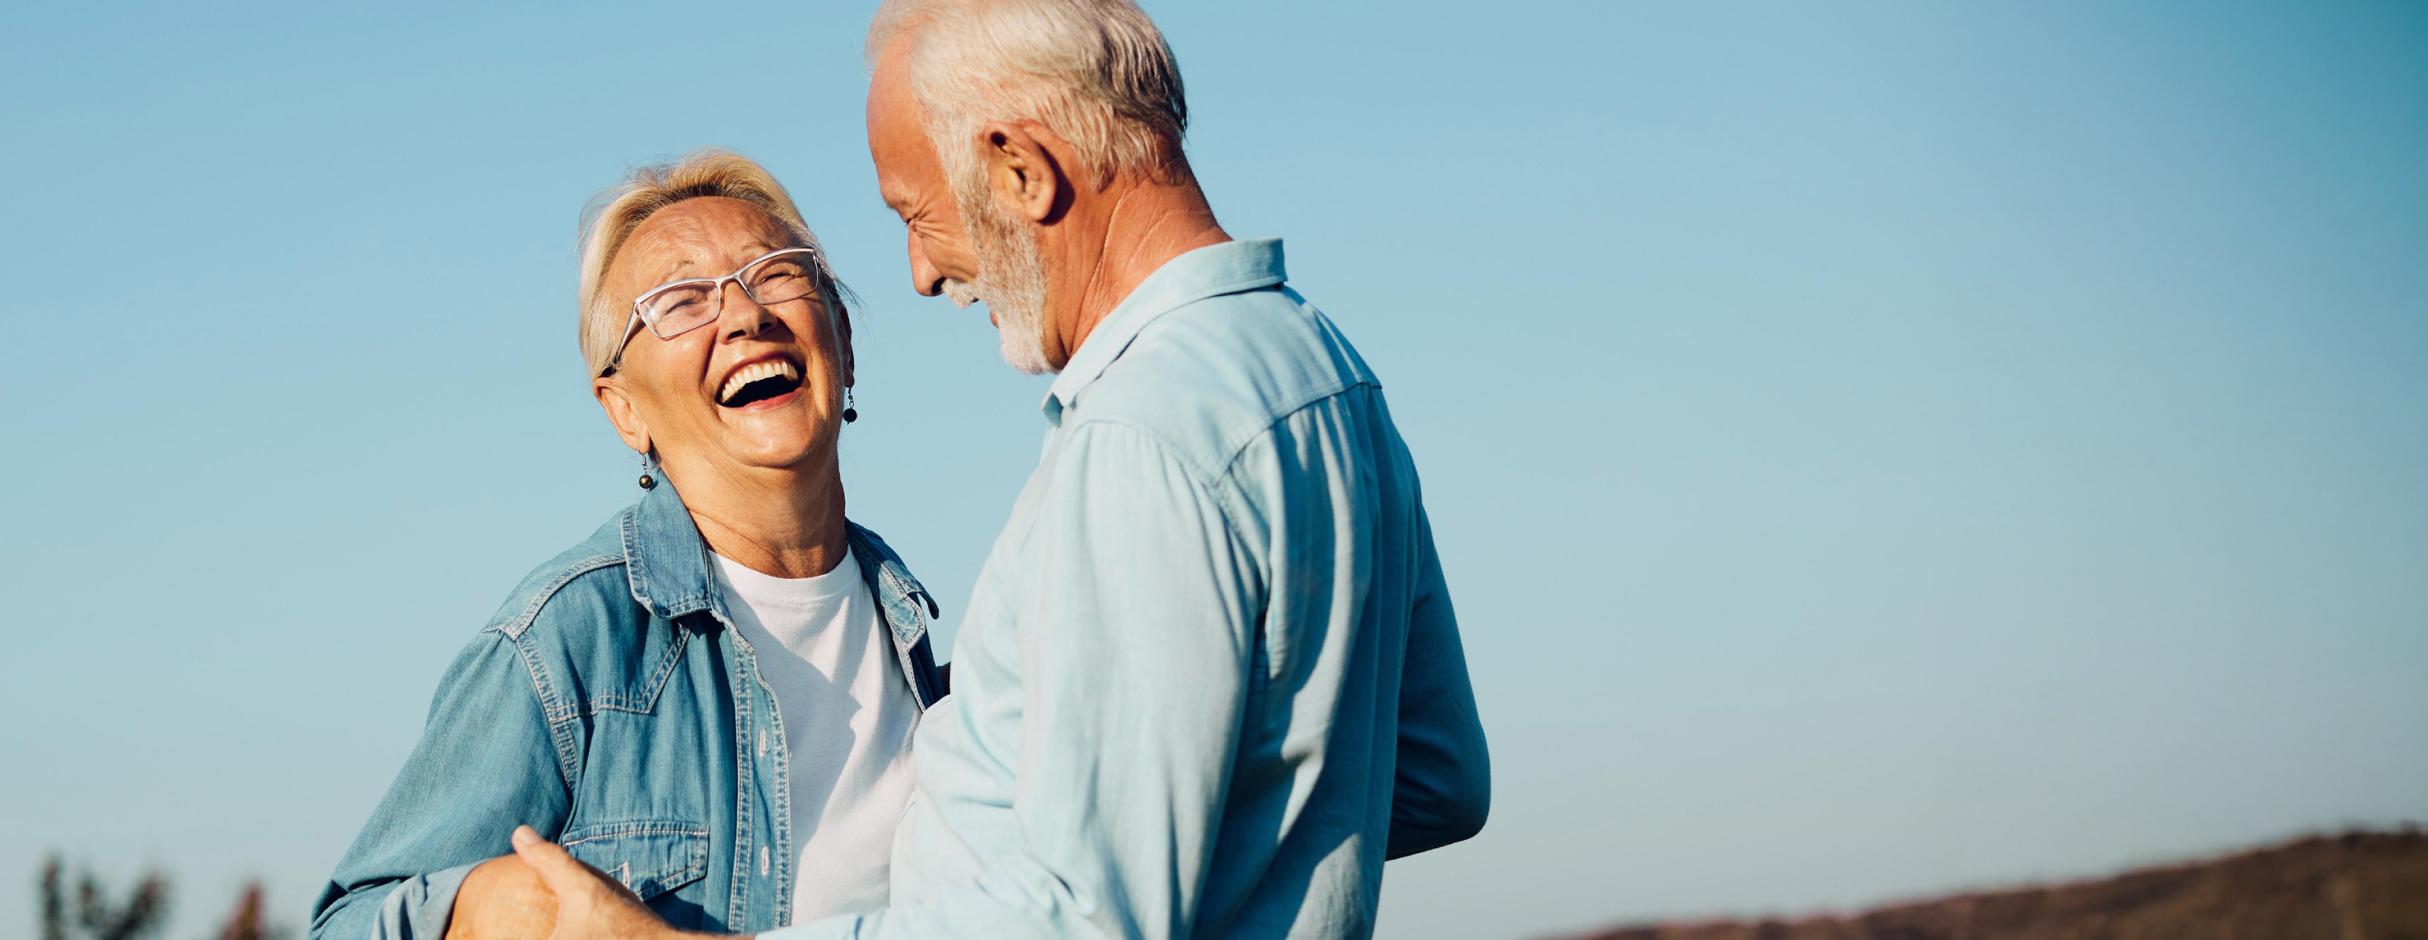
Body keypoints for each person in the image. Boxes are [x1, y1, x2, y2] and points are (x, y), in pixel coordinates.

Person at [513, 1, 1492, 936]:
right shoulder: (1323, 370)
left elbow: (1089, 918)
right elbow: (1434, 777)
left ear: (1021, 171)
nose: (922, 272)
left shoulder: (1138, 441)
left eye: (916, 214)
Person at [309, 151, 948, 940]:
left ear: (843, 342)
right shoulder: (566, 643)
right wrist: (476, 911)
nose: (747, 316)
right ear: (624, 411)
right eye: (680, 301)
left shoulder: (925, 649)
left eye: (777, 273)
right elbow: (349, 921)